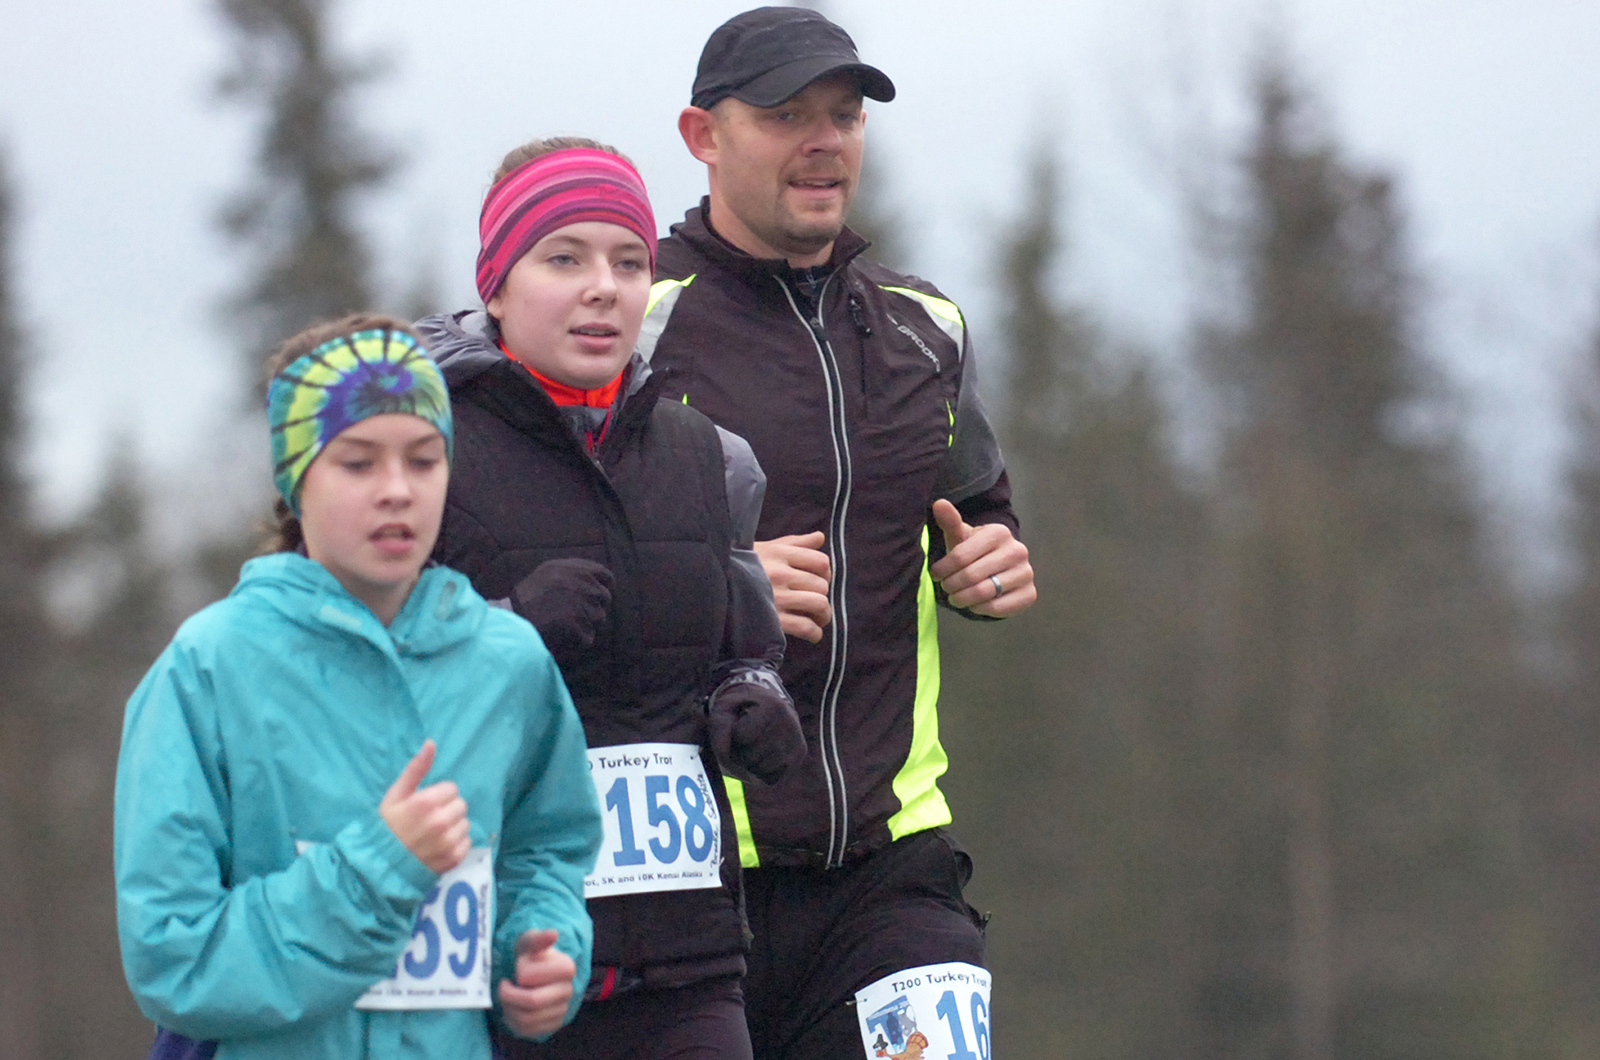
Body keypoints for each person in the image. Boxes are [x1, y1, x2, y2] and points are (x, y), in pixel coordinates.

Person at [638, 8, 1038, 1059]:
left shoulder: (924, 327)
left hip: (890, 869)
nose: (825, 141)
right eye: (785, 115)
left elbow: (974, 508)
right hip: (685, 872)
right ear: (702, 134)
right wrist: (718, 580)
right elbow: (531, 551)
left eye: (844, 116)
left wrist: (985, 560)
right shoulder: (631, 320)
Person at [114, 316, 603, 1060]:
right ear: (295, 474)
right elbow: (175, 960)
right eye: (358, 463)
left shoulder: (508, 664)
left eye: (424, 459)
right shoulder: (207, 669)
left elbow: (548, 850)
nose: (397, 491)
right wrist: (379, 870)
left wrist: (538, 951)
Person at [416, 139, 805, 1060]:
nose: (604, 287)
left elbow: (738, 650)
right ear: (497, 285)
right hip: (502, 973)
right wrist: (504, 634)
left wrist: (749, 700)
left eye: (629, 263)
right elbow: (352, 697)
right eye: (565, 258)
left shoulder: (713, 459)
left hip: (687, 965)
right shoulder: (416, 456)